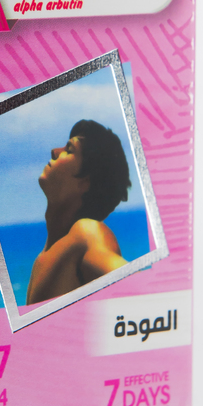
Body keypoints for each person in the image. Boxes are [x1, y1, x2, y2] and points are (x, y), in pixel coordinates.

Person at [26, 119, 132, 304]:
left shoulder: (86, 232)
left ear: (85, 182)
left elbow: (132, 284)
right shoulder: (45, 257)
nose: (54, 151)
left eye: (69, 150)